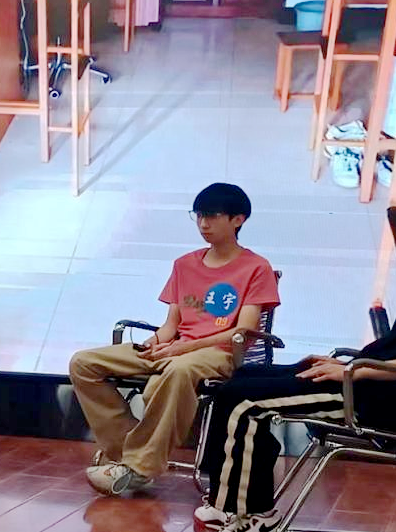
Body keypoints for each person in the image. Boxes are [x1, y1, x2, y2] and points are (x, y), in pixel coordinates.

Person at [195, 147, 396, 532]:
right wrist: (345, 365)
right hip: (375, 380)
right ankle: (230, 502)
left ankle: (251, 517)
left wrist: (354, 371)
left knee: (245, 402)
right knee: (241, 380)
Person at [69, 183, 280, 495]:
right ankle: (129, 452)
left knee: (178, 370)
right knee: (83, 363)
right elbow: (171, 325)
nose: (204, 224)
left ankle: (139, 467)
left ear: (238, 219)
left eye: (213, 216)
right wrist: (154, 343)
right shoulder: (184, 264)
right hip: (175, 348)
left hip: (217, 352)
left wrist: (185, 347)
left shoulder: (256, 267)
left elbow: (243, 331)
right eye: (199, 216)